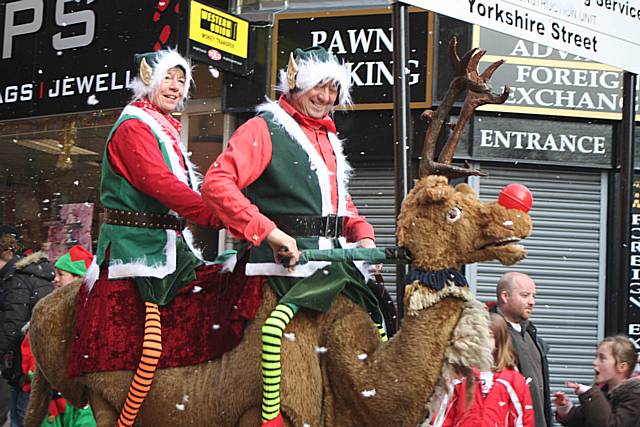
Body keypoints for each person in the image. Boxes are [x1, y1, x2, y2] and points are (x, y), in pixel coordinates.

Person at [202, 46, 384, 427]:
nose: (325, 97)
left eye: (333, 89)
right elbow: (218, 184)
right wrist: (268, 231)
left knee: (381, 323)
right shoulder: (263, 128)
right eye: (317, 86)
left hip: (336, 271)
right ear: (294, 82)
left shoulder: (329, 138)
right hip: (282, 274)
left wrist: (362, 234)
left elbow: (337, 203)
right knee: (283, 364)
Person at [91, 48, 221, 427]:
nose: (176, 87)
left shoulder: (163, 125)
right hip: (136, 246)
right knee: (148, 345)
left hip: (170, 245)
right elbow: (158, 183)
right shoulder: (134, 125)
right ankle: (125, 421)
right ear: (148, 80)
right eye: (169, 78)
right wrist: (214, 214)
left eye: (182, 81)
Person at [21, 245, 96, 427]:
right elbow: (30, 352)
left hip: (85, 402)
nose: (55, 279)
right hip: (52, 403)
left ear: (78, 278)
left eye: (62, 274)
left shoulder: (95, 315)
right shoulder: (48, 311)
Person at [432, 312, 534, 427]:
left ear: (499, 340)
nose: (484, 340)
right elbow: (442, 418)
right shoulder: (459, 377)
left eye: (490, 335)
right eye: (480, 335)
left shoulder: (514, 381)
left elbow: (524, 421)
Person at [0, 231, 55, 427]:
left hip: (25, 361)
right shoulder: (33, 273)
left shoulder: (17, 278)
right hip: (32, 359)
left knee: (22, 416)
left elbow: (13, 326)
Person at [491, 272, 551, 427]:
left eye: (533, 296)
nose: (532, 302)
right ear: (505, 296)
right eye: (525, 295)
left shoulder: (531, 334)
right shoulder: (490, 335)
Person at [553, 335, 640, 427]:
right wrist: (565, 408)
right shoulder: (602, 392)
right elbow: (583, 420)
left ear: (622, 367)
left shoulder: (635, 395)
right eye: (596, 357)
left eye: (602, 358)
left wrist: (590, 394)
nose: (594, 362)